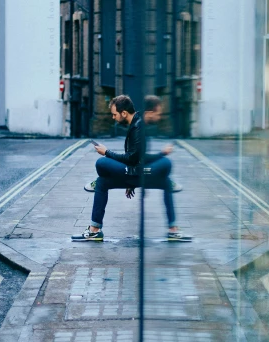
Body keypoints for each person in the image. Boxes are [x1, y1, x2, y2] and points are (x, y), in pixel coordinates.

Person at [72, 95, 191, 242]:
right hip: (135, 173)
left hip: (137, 173)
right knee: (102, 182)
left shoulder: (139, 126)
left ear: (124, 113)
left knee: (102, 163)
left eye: (115, 114)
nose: (113, 118)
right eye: (158, 113)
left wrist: (107, 152)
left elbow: (132, 158)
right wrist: (129, 181)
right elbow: (138, 157)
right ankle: (94, 231)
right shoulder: (137, 124)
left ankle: (95, 230)